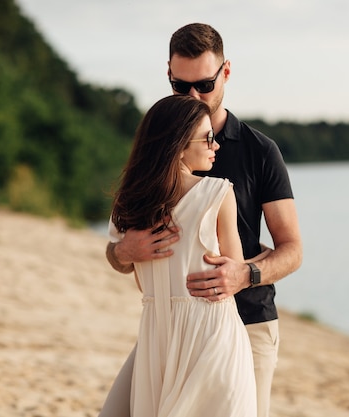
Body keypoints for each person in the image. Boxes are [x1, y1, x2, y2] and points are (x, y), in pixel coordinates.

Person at [100, 23, 303, 417]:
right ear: (169, 76)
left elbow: (292, 249)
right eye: (181, 86)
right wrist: (125, 250)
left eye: (205, 84)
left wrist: (245, 274)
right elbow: (119, 254)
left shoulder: (261, 152)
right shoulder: (156, 150)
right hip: (168, 328)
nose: (194, 95)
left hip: (246, 323)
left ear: (226, 73)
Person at [107, 94, 259, 416]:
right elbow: (235, 268)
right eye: (207, 138)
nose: (215, 145)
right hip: (187, 332)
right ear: (178, 145)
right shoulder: (218, 193)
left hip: (196, 336)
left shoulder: (129, 201)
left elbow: (233, 275)